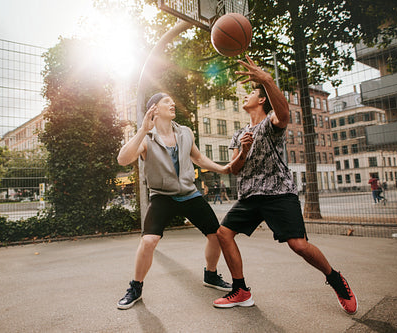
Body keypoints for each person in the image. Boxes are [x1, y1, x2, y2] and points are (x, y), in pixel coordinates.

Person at [213, 55, 358, 315]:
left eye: (252, 92)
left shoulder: (271, 124)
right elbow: (235, 169)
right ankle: (241, 290)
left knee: (298, 245)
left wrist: (266, 79)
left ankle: (336, 279)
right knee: (223, 233)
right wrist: (243, 151)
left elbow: (284, 113)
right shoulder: (239, 134)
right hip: (250, 195)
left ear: (261, 100)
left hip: (279, 192)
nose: (245, 96)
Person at [116, 92, 232, 310]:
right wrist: (143, 130)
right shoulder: (146, 139)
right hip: (162, 196)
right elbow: (123, 159)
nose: (172, 104)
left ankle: (211, 274)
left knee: (216, 235)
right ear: (154, 109)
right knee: (149, 241)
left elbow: (198, 158)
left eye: (172, 101)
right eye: (166, 101)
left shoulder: (186, 132)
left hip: (189, 193)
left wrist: (222, 168)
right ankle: (136, 287)